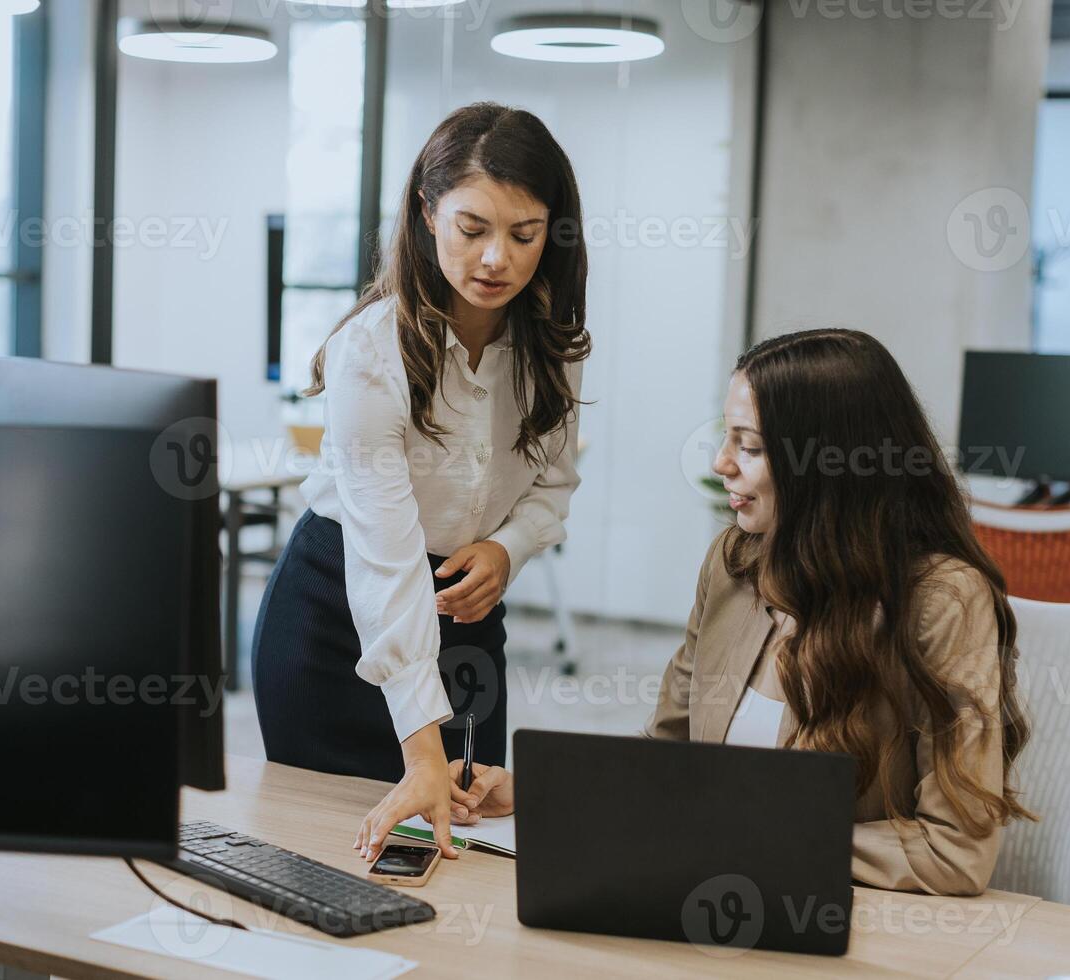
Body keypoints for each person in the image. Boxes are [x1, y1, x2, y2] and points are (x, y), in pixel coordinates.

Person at [444, 329, 1035, 896]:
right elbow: (667, 756)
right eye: (726, 438)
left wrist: (737, 838)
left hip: (848, 924)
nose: (722, 463)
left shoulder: (943, 602)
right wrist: (539, 792)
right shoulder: (734, 563)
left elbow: (955, 851)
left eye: (749, 446)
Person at [251, 102, 591, 865]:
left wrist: (508, 549)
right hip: (337, 617)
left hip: (465, 619)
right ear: (428, 211)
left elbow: (555, 485)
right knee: (329, 859)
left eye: (523, 234)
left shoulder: (556, 348)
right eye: (472, 229)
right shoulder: (371, 353)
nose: (496, 258)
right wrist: (422, 749)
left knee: (466, 853)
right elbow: (384, 553)